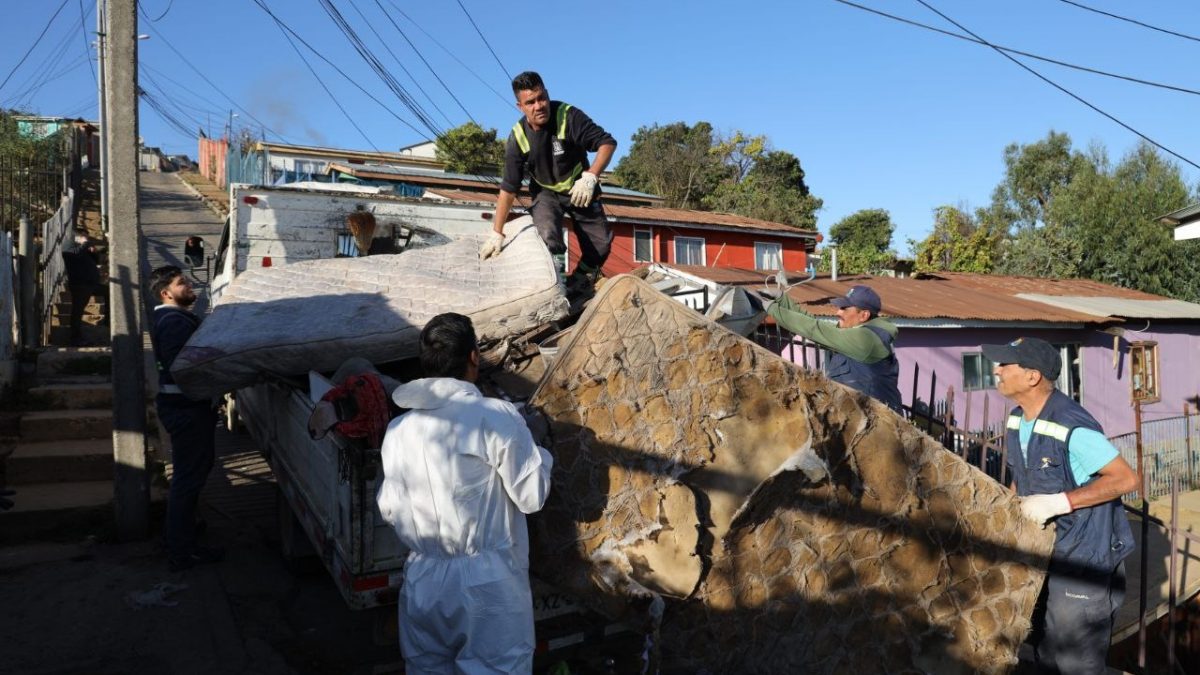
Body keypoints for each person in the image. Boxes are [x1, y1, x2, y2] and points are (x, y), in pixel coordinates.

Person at [376, 313, 553, 673]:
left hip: (422, 581)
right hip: (486, 589)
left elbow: (388, 509)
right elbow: (532, 496)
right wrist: (541, 450)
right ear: (474, 357)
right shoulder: (495, 416)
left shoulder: (398, 430)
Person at [982, 337, 1137, 674]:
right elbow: (1020, 476)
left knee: (1074, 660)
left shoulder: (1071, 424)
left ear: (1032, 376)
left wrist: (1059, 501)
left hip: (1083, 559)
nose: (997, 370)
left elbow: (1125, 479)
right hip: (1043, 552)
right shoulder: (1016, 419)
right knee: (1044, 652)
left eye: (1006, 364)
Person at [480, 70, 617, 299]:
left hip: (579, 187)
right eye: (530, 102)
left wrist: (591, 176)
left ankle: (580, 280)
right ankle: (555, 284)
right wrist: (497, 233)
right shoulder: (518, 137)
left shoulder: (568, 116)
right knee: (546, 234)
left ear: (547, 94)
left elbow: (607, 143)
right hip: (546, 191)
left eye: (541, 98)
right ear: (520, 106)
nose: (538, 106)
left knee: (601, 245)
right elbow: (508, 189)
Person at [149, 265, 224, 572]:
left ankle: (182, 534)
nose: (190, 286)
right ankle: (182, 549)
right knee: (188, 478)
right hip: (187, 410)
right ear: (167, 293)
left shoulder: (171, 318)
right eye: (183, 283)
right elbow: (184, 366)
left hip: (185, 407)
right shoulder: (173, 322)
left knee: (192, 473)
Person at [766, 283, 902, 411]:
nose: (838, 312)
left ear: (864, 315)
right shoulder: (860, 331)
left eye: (844, 308)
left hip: (877, 424)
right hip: (859, 415)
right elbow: (815, 323)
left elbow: (815, 329)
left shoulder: (865, 339)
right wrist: (782, 300)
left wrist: (771, 309)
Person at [62, 233, 102, 346]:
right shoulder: (69, 246)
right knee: (77, 311)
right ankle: (75, 338)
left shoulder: (82, 248)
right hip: (79, 284)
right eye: (83, 237)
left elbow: (96, 261)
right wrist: (84, 244)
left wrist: (93, 251)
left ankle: (108, 322)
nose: (86, 239)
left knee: (107, 293)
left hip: (89, 283)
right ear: (77, 237)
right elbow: (76, 254)